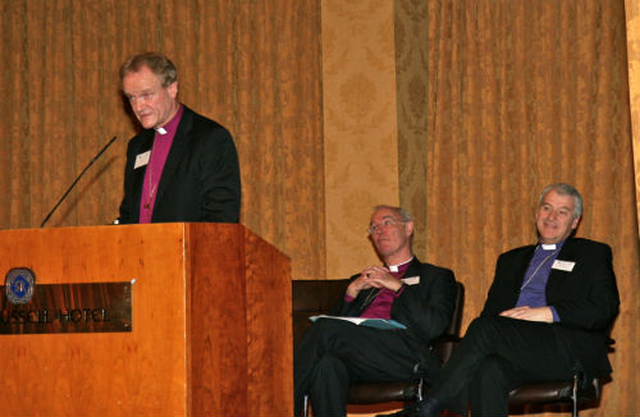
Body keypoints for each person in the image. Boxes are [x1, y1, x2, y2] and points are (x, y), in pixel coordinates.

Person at [405, 183, 620, 417]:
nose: (551, 217)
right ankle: (434, 405)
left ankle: (429, 406)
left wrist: (546, 312)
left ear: (575, 222)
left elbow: (604, 308)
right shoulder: (510, 260)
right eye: (546, 208)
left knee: (485, 328)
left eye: (562, 212)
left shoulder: (592, 253)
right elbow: (492, 315)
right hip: (515, 347)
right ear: (537, 213)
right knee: (489, 369)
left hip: (563, 349)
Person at [294, 205, 457, 417]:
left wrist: (398, 287)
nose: (379, 231)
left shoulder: (435, 276)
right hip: (363, 356)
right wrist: (351, 292)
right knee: (327, 365)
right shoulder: (362, 281)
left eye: (387, 223)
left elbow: (433, 326)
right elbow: (334, 328)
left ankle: (284, 408)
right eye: (373, 227)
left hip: (405, 355)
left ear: (408, 228)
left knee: (325, 329)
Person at [117, 52, 241, 224]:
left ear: (172, 89)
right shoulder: (137, 146)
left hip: (189, 249)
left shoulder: (210, 139)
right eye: (132, 97)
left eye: (146, 95)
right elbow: (129, 214)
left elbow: (221, 217)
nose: (138, 106)